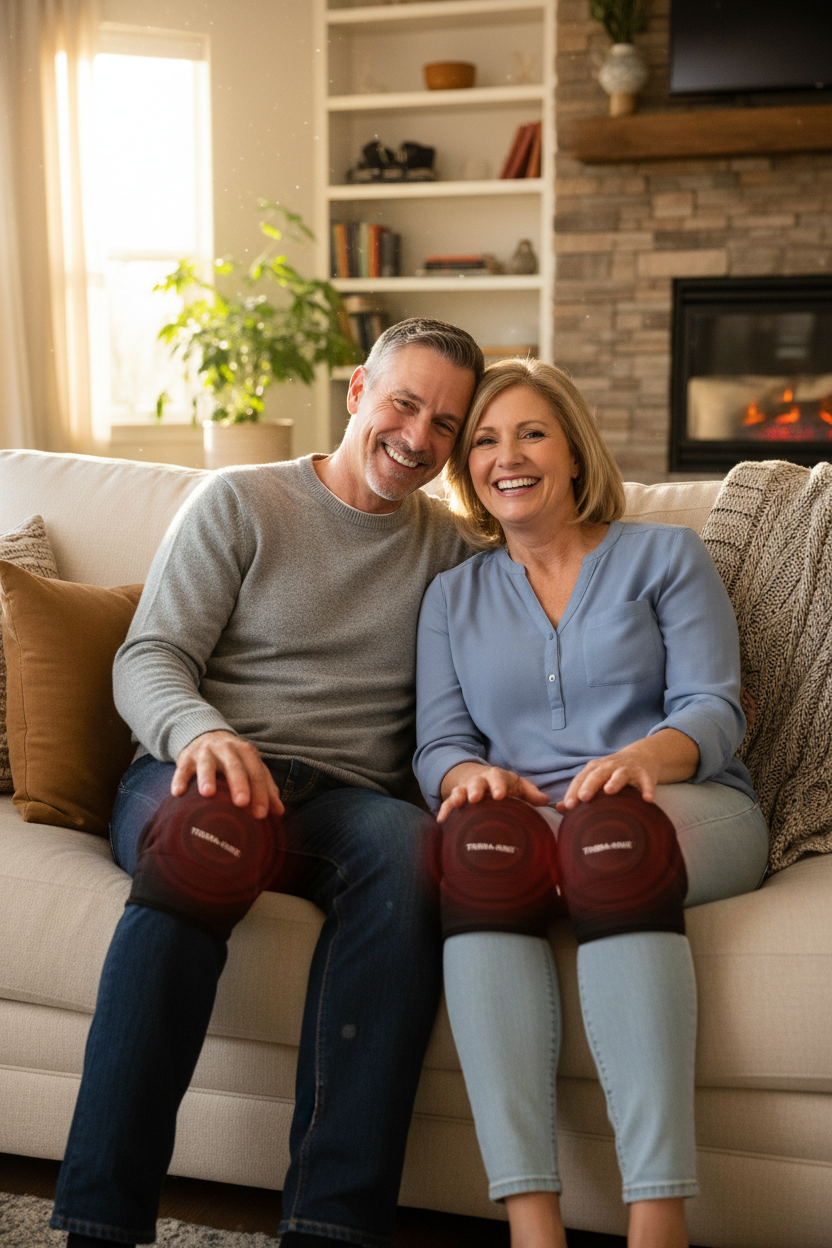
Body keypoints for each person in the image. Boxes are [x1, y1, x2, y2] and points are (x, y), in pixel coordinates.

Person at [49, 318, 483, 1248]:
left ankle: (330, 1226)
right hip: (195, 773)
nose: (417, 439)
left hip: (345, 803)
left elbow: (542, 609)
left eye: (446, 425)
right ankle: (98, 1224)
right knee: (203, 852)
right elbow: (151, 656)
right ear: (359, 388)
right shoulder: (240, 502)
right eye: (405, 403)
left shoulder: (449, 552)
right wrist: (202, 733)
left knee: (414, 855)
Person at [414, 358, 769, 1248]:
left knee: (612, 840)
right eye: (486, 440)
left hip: (687, 804)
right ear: (468, 471)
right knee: (477, 851)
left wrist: (645, 757)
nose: (508, 456)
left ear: (573, 450)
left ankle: (658, 1222)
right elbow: (440, 744)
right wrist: (468, 780)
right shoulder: (452, 595)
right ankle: (534, 1227)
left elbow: (714, 707)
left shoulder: (664, 556)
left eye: (531, 432)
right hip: (537, 818)